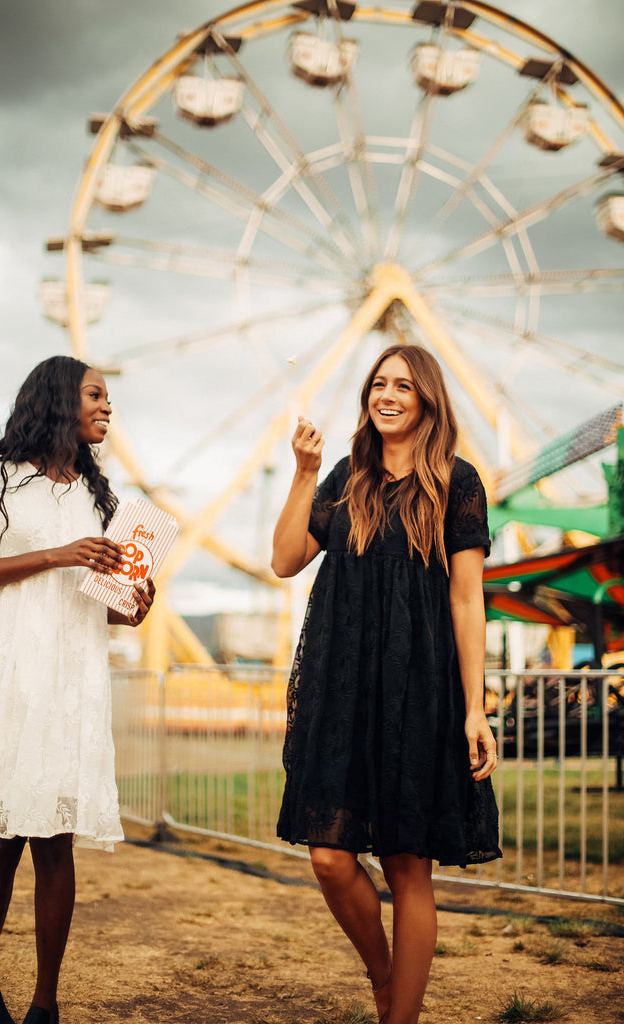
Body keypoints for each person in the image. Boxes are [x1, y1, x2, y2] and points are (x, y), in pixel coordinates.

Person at [272, 343, 501, 1024]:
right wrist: (304, 471)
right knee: (328, 858)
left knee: (408, 869)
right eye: (378, 383)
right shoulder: (345, 476)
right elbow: (285, 560)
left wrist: (474, 709)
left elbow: (466, 600)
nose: (387, 394)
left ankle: (399, 1015)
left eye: (403, 385)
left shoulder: (457, 482)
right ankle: (383, 976)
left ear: (427, 398)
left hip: (420, 690)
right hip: (341, 689)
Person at [0, 357, 155, 1024]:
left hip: (70, 680)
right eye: (96, 395)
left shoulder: (99, 498)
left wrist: (135, 603)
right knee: (5, 839)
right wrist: (58, 554)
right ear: (57, 398)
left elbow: (101, 604)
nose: (107, 408)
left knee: (57, 841)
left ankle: (46, 1002)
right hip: (9, 676)